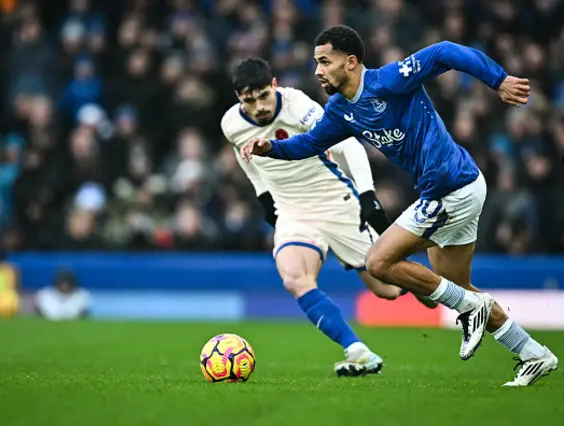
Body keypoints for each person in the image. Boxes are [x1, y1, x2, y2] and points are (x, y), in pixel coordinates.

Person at [240, 26, 558, 387]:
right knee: (457, 289)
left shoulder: (390, 79)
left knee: (379, 262)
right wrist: (272, 149)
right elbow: (309, 144)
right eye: (316, 63)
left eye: (324, 61)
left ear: (351, 61)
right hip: (454, 189)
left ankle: (474, 309)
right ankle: (534, 353)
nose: (318, 71)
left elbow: (443, 51)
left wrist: (498, 80)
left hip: (450, 186)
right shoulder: (341, 110)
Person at [222, 57, 436, 377]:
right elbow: (248, 160)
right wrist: (264, 196)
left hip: (338, 203)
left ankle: (435, 287)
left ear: (275, 85)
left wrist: (368, 195)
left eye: (264, 95)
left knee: (387, 289)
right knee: (295, 278)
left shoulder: (297, 106)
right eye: (248, 100)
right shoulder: (231, 124)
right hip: (293, 212)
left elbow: (348, 145)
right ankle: (357, 350)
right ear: (239, 99)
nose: (259, 107)